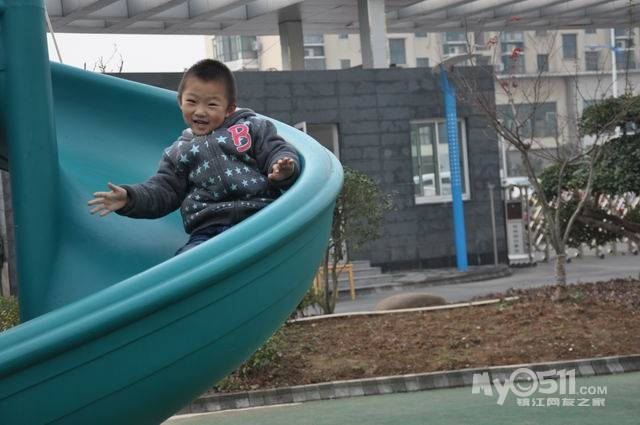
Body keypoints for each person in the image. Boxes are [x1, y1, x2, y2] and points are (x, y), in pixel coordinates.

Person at [88, 59, 300, 255]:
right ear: (180, 101)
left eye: (212, 105)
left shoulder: (250, 128)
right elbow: (162, 191)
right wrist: (130, 198)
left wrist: (283, 169)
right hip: (209, 231)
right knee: (184, 262)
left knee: (282, 242)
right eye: (192, 101)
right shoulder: (178, 152)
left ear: (229, 109)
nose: (200, 111)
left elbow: (276, 150)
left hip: (260, 217)